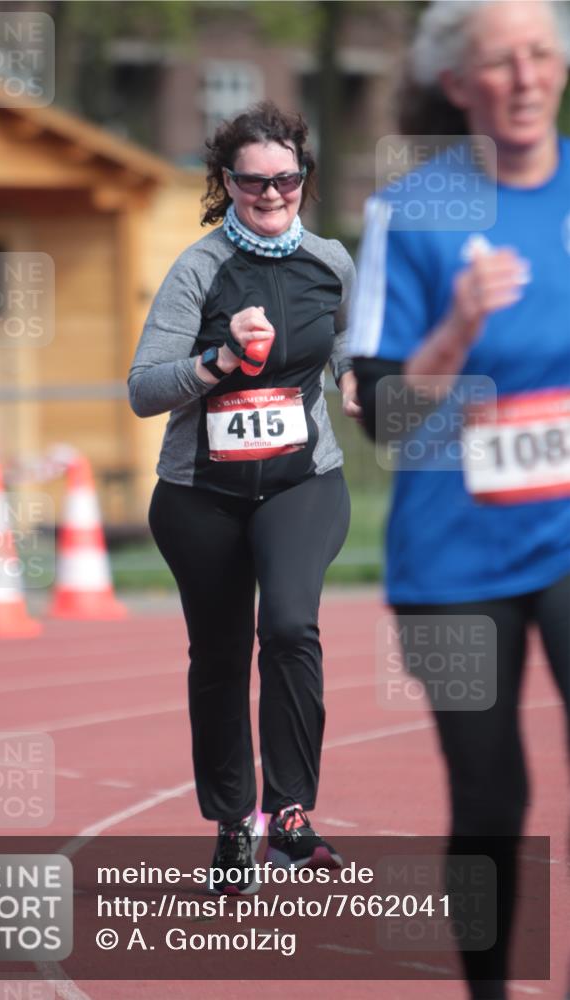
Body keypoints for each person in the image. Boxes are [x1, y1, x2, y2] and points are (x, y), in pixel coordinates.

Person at [347, 2, 569, 998]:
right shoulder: (410, 212)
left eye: (540, 55)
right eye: (499, 62)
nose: (524, 78)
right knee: (489, 794)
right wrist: (455, 331)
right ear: (457, 85)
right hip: (449, 561)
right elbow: (386, 419)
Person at [129, 101, 354, 893]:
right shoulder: (198, 270)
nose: (270, 193)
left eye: (285, 178)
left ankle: (289, 816)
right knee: (221, 655)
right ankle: (234, 825)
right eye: (252, 181)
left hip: (301, 481)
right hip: (203, 497)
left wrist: (354, 378)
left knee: (290, 625)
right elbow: (143, 390)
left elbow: (348, 340)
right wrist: (221, 359)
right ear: (227, 184)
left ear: (303, 179)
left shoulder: (330, 261)